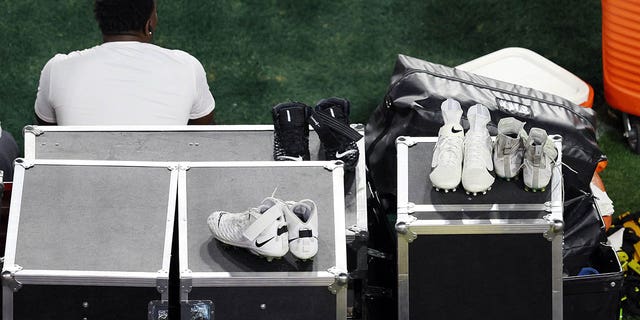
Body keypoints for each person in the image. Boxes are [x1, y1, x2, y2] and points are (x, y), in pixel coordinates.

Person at [34, 0, 215, 126]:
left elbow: (48, 135)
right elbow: (200, 135)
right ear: (149, 25)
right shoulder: (187, 67)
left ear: (102, 22)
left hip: (79, 181)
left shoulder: (57, 68)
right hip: (162, 181)